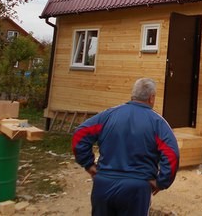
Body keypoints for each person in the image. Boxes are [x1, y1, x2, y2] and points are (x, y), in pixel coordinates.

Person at [72, 78, 180, 216]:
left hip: (104, 185)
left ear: (133, 94)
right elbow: (171, 155)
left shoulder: (108, 115)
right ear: (152, 98)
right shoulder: (158, 123)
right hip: (136, 189)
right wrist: (161, 182)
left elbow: (80, 134)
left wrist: (88, 164)